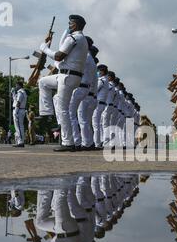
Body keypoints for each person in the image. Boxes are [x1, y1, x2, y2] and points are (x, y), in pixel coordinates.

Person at [39, 15, 89, 152]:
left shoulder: (73, 38)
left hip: (67, 76)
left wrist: (44, 48)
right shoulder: (83, 40)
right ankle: (47, 112)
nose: (69, 25)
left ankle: (68, 142)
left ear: (76, 25)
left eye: (70, 23)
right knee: (43, 82)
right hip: (67, 75)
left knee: (63, 109)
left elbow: (58, 56)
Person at [92, 64, 110, 150]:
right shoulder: (105, 80)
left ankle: (97, 143)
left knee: (95, 124)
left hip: (99, 103)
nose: (97, 73)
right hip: (102, 103)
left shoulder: (101, 81)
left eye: (98, 71)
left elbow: (95, 89)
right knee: (98, 124)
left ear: (102, 71)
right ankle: (98, 142)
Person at [12, 81, 28, 148]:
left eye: (16, 86)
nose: (16, 87)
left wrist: (16, 111)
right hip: (20, 109)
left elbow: (18, 102)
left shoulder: (20, 92)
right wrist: (13, 93)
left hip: (19, 110)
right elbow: (15, 100)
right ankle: (19, 141)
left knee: (19, 126)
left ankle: (21, 142)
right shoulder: (21, 92)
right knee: (18, 126)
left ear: (19, 85)